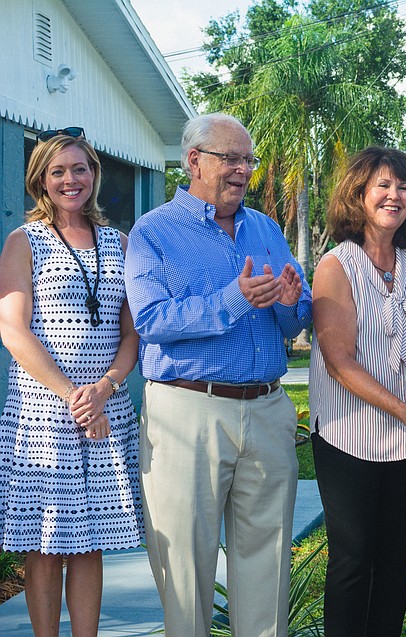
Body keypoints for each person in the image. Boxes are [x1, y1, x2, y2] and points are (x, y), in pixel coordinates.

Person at [124, 113, 312, 637]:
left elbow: (296, 314)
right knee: (185, 562)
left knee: (269, 559)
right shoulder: (153, 232)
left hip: (269, 409)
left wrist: (294, 304)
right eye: (231, 158)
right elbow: (151, 320)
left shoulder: (267, 228)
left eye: (247, 160)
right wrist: (235, 297)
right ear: (194, 161)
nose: (242, 170)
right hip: (189, 411)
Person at [0, 128, 143, 637]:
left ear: (94, 175)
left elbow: (131, 334)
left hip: (104, 411)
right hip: (44, 414)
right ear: (41, 179)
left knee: (89, 541)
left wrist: (101, 390)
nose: (70, 180)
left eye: (79, 169)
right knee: (44, 543)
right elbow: (12, 329)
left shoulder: (119, 241)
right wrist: (72, 396)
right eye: (58, 171)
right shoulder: (24, 241)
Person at [309, 146, 406, 637]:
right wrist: (403, 410)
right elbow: (340, 362)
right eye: (383, 186)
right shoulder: (336, 266)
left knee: (398, 555)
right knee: (353, 556)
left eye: (403, 187)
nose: (394, 195)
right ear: (358, 195)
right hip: (349, 436)